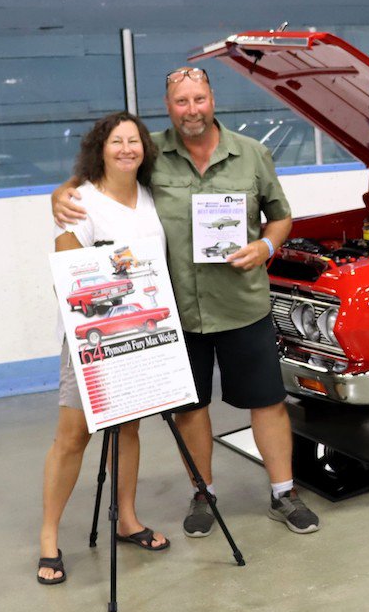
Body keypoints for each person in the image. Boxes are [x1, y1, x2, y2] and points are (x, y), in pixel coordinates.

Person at [53, 67, 319, 537]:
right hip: (177, 312)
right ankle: (204, 493)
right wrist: (61, 192)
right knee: (190, 409)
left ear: (212, 99)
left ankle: (284, 493)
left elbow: (281, 217)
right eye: (181, 102)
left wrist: (266, 246)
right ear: (168, 106)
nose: (191, 110)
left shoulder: (252, 154)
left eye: (199, 99)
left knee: (267, 402)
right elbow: (102, 173)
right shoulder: (151, 152)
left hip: (243, 305)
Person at [39, 112, 171, 585]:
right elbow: (67, 277)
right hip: (89, 340)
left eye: (134, 141)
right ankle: (49, 537)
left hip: (137, 336)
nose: (126, 149)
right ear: (101, 148)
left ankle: (127, 519)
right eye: (116, 141)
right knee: (73, 436)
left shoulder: (152, 197)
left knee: (128, 428)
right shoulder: (81, 201)